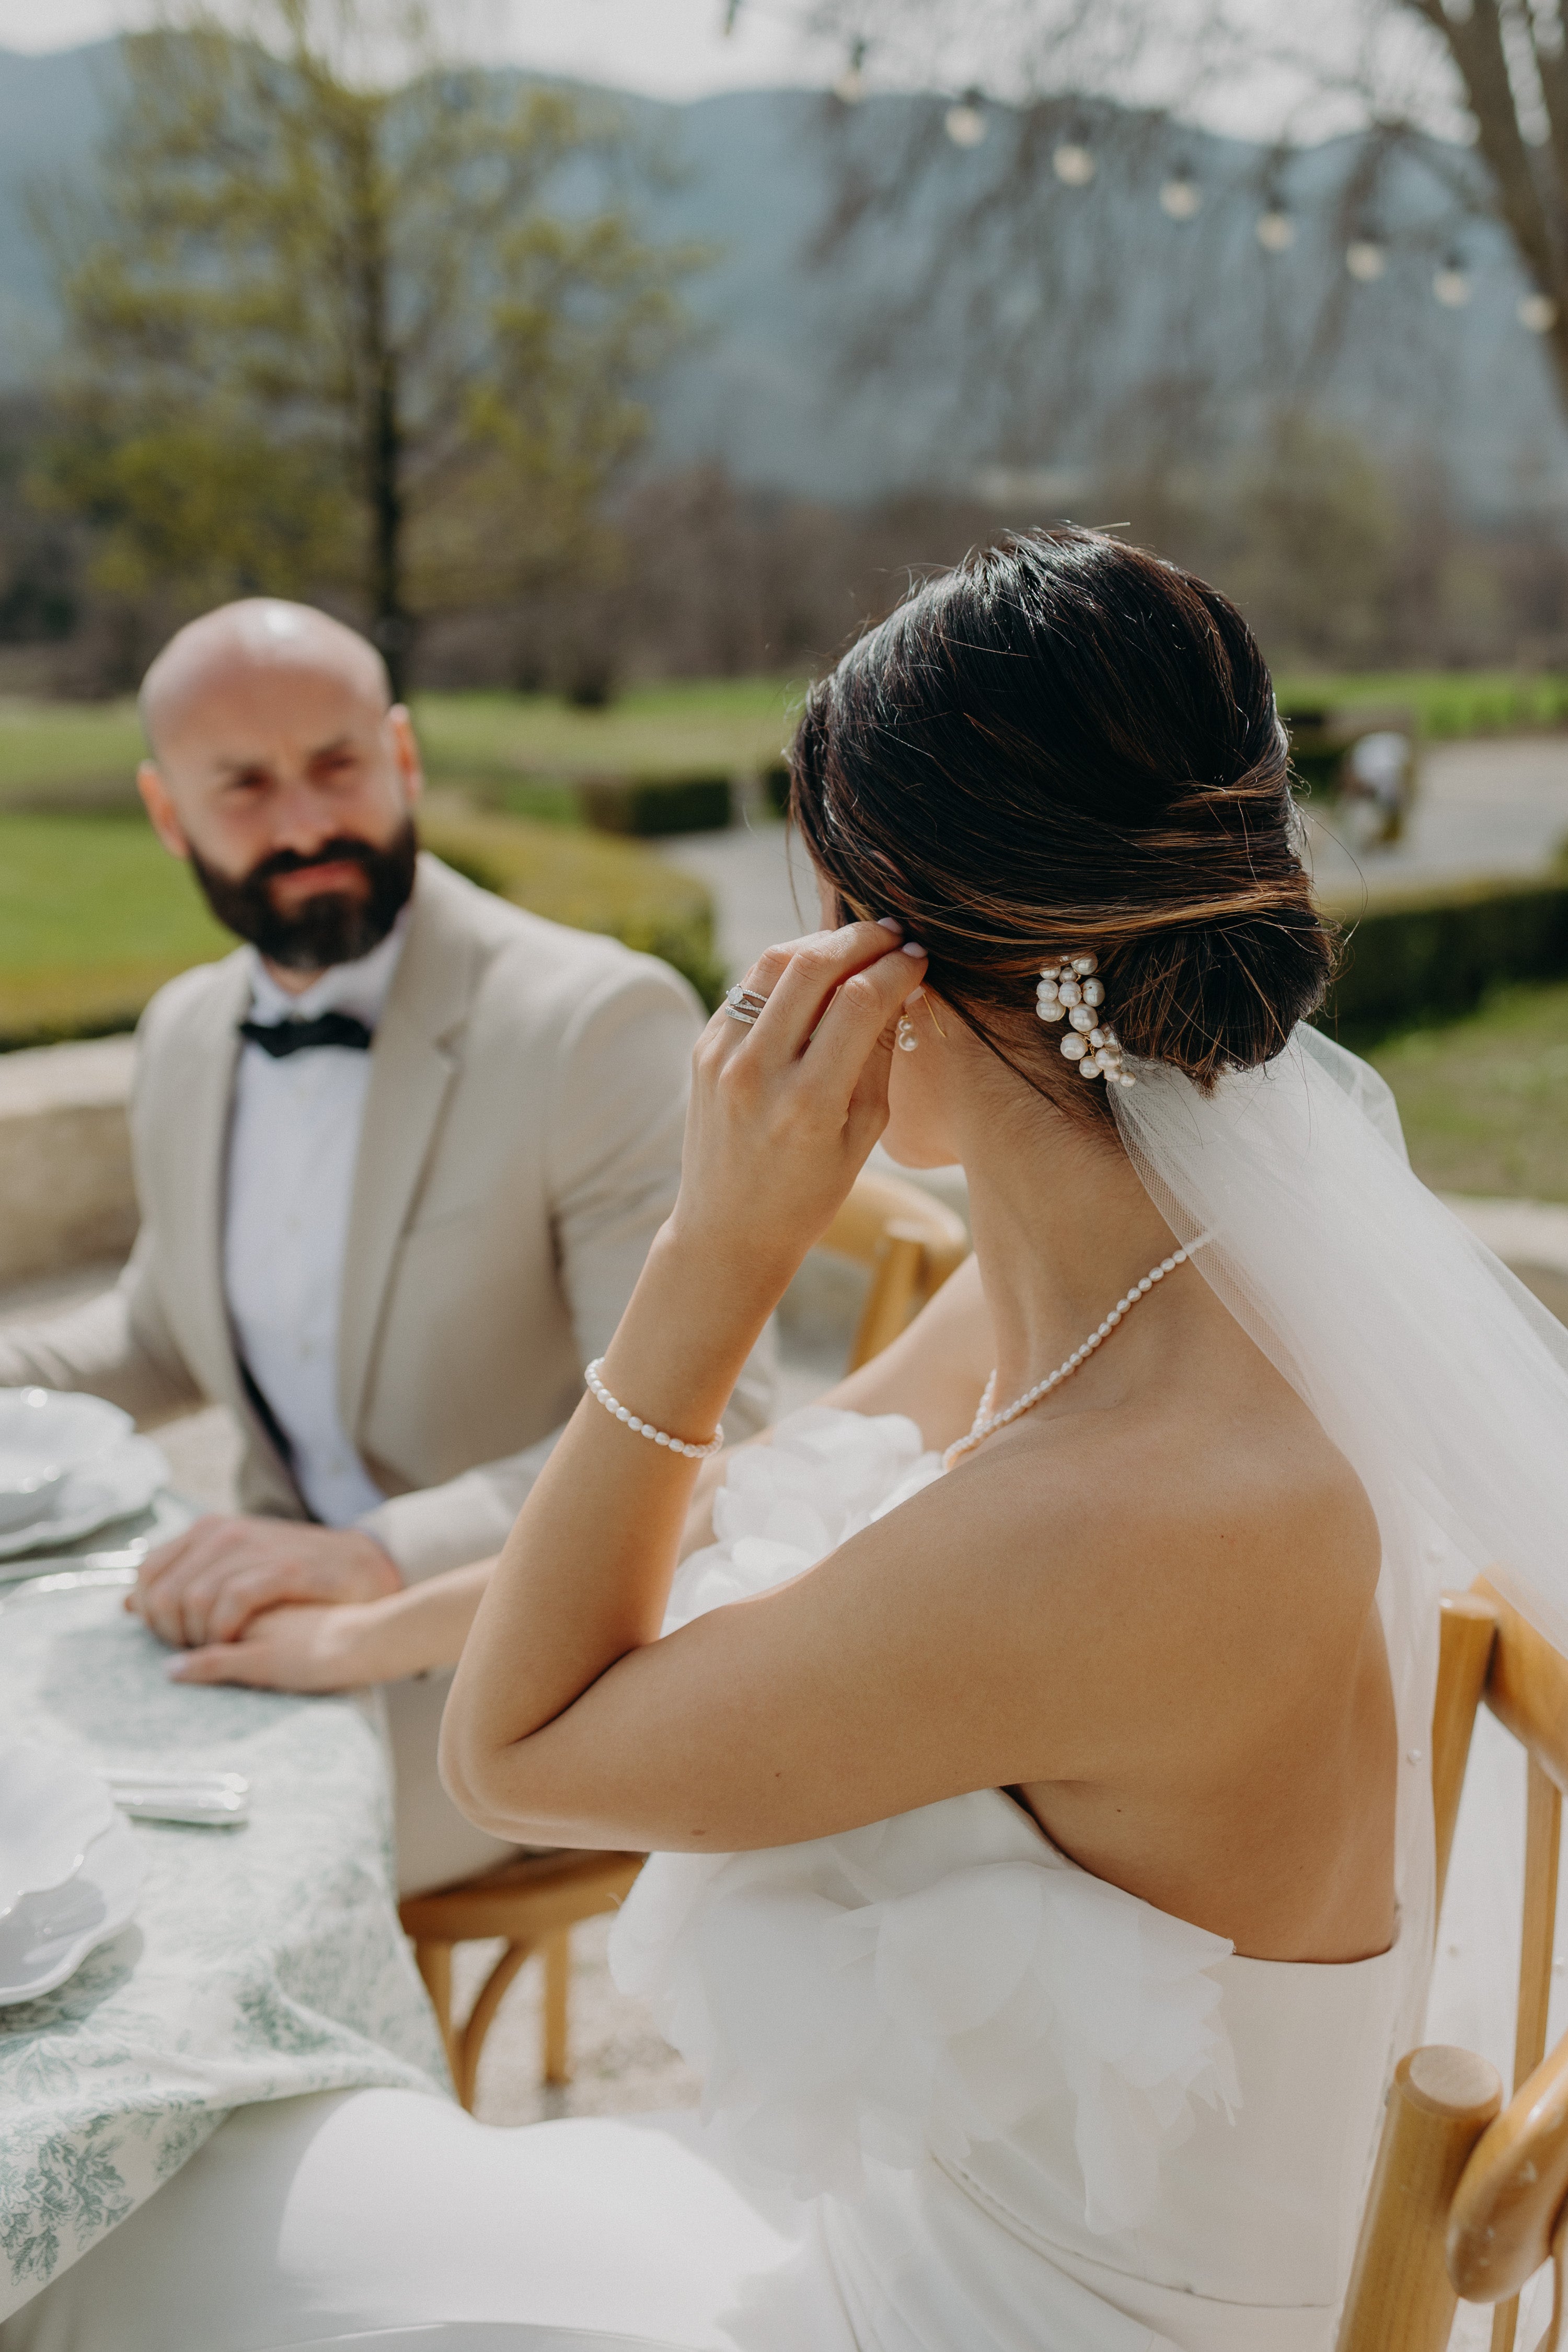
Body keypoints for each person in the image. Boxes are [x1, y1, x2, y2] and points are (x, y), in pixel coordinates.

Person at [13, 533, 1568, 2352]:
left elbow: (520, 1754)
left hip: (1004, 2325)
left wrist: (715, 1255)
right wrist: (369, 1629)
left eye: (816, 894)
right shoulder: (1157, 1289)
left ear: (909, 946)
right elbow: (737, 1493)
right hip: (936, 2235)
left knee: (148, 2226)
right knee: (215, 2181)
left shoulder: (1133, 1508)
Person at [0, 597, 769, 1895]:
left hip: (523, 1664)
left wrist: (372, 1558)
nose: (304, 825)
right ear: (166, 810)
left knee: (129, 1884)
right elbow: (156, 1331)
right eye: (244, 785)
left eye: (338, 766)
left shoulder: (593, 1023)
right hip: (257, 1613)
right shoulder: (188, 1033)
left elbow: (710, 1436)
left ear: (405, 757)